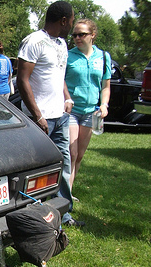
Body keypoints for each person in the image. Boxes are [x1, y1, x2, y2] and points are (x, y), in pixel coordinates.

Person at [17, 1, 83, 227]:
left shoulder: (62, 44)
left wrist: (67, 97)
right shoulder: (33, 41)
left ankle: (63, 213)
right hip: (39, 119)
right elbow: (22, 80)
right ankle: (34, 214)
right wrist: (38, 116)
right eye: (72, 21)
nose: (72, 26)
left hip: (60, 117)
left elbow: (58, 75)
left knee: (63, 163)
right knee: (36, 169)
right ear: (63, 20)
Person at [65, 19, 111, 194]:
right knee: (71, 153)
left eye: (81, 34)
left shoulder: (104, 57)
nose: (77, 37)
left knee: (80, 156)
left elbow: (105, 86)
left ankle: (69, 190)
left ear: (92, 35)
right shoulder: (69, 55)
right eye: (75, 34)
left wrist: (104, 104)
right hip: (71, 112)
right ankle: (65, 195)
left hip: (91, 112)